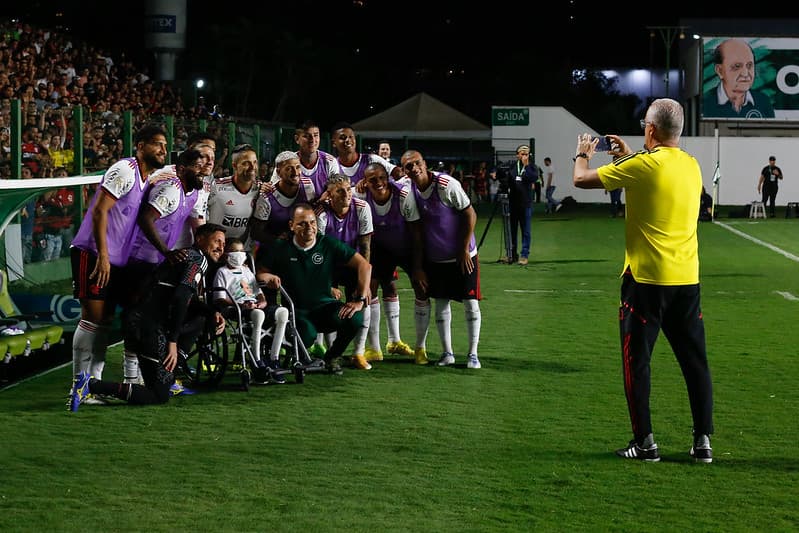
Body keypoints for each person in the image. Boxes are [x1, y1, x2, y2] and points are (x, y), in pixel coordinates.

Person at [572, 97, 714, 463]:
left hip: (646, 282)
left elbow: (580, 180)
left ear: (650, 129)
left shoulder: (643, 165)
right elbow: (654, 175)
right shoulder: (693, 165)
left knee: (637, 363)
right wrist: (629, 154)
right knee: (695, 364)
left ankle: (646, 443)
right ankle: (702, 443)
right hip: (687, 280)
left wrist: (583, 152)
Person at [68, 223, 227, 411]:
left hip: (138, 322)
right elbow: (181, 297)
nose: (221, 247)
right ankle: (91, 385)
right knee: (158, 395)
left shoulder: (183, 256)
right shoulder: (197, 259)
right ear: (200, 239)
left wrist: (211, 312)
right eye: (217, 241)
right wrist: (173, 342)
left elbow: (183, 299)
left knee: (201, 318)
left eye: (223, 244)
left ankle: (168, 374)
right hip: (148, 327)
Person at [69, 125, 167, 394]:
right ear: (140, 146)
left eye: (165, 145)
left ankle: (93, 386)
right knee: (92, 317)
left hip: (113, 259)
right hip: (91, 252)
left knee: (104, 321)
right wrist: (102, 255)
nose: (163, 150)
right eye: (157, 144)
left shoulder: (147, 179)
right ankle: (78, 387)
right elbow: (100, 211)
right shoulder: (125, 169)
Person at [255, 203, 372, 375]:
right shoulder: (281, 248)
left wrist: (360, 300)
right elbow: (259, 273)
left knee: (355, 318)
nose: (309, 227)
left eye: (312, 222)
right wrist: (268, 278)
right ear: (291, 226)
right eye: (302, 223)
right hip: (297, 312)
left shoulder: (327, 244)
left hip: (325, 308)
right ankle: (298, 355)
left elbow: (364, 265)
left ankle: (332, 357)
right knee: (306, 337)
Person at [123, 148, 206, 384]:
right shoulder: (171, 189)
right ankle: (130, 377)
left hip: (156, 263)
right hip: (140, 260)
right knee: (135, 317)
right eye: (196, 167)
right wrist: (166, 252)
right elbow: (145, 218)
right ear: (181, 169)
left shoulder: (191, 194)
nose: (202, 171)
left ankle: (143, 373)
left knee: (152, 317)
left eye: (204, 167)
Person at [401, 149, 482, 369]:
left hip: (464, 256)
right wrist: (418, 266)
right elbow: (416, 233)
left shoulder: (446, 184)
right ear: (405, 171)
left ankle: (473, 354)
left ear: (424, 163)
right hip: (436, 259)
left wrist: (464, 249)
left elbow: (470, 213)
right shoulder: (410, 192)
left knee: (470, 303)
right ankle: (448, 353)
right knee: (441, 304)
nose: (414, 168)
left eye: (417, 163)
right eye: (408, 166)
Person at [356, 162, 427, 364]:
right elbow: (340, 194)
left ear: (387, 178)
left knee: (420, 287)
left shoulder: (404, 196)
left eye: (381, 178)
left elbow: (416, 233)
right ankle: (374, 348)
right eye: (372, 180)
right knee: (369, 289)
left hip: (406, 248)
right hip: (380, 249)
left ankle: (420, 348)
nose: (378, 183)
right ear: (365, 182)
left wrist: (418, 267)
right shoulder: (361, 195)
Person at [316, 172, 374, 370]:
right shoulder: (322, 216)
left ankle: (358, 352)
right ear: (329, 195)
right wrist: (329, 284)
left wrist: (363, 282)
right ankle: (332, 352)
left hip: (353, 264)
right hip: (329, 265)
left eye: (348, 189)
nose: (347, 194)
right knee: (330, 303)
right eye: (340, 191)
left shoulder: (362, 208)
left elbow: (365, 245)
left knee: (363, 300)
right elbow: (320, 253)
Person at [213, 237, 289, 384]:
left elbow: (258, 291)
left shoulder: (246, 270)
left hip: (254, 305)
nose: (240, 254)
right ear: (226, 254)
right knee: (258, 315)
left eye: (242, 251)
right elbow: (219, 298)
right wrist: (240, 304)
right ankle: (257, 359)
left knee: (283, 312)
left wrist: (262, 301)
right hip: (236, 308)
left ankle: (274, 358)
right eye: (235, 251)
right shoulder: (222, 272)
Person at [250, 150, 317, 246]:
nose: (295, 172)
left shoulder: (308, 185)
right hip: (275, 248)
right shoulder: (266, 197)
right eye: (289, 169)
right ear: (278, 172)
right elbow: (256, 233)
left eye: (298, 167)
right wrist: (277, 240)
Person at [702, 38, 775, 120]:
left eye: (749, 65)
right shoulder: (704, 103)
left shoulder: (763, 101)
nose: (745, 73)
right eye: (737, 66)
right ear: (720, 70)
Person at [206, 143, 260, 247]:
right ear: (234, 165)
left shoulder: (260, 189)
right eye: (246, 163)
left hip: (240, 250)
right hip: (213, 248)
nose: (253, 167)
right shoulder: (216, 187)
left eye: (255, 162)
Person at [332, 122, 403, 185]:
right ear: (334, 143)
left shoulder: (372, 159)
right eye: (342, 137)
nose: (348, 140)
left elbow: (398, 173)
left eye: (351, 137)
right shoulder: (332, 166)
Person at [506, 144, 537, 266]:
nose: (525, 156)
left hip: (525, 204)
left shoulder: (531, 167)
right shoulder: (513, 167)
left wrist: (526, 166)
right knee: (512, 230)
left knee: (526, 231)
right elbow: (507, 179)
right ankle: (512, 254)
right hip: (513, 203)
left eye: (527, 154)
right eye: (522, 154)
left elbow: (533, 178)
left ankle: (524, 255)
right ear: (517, 155)